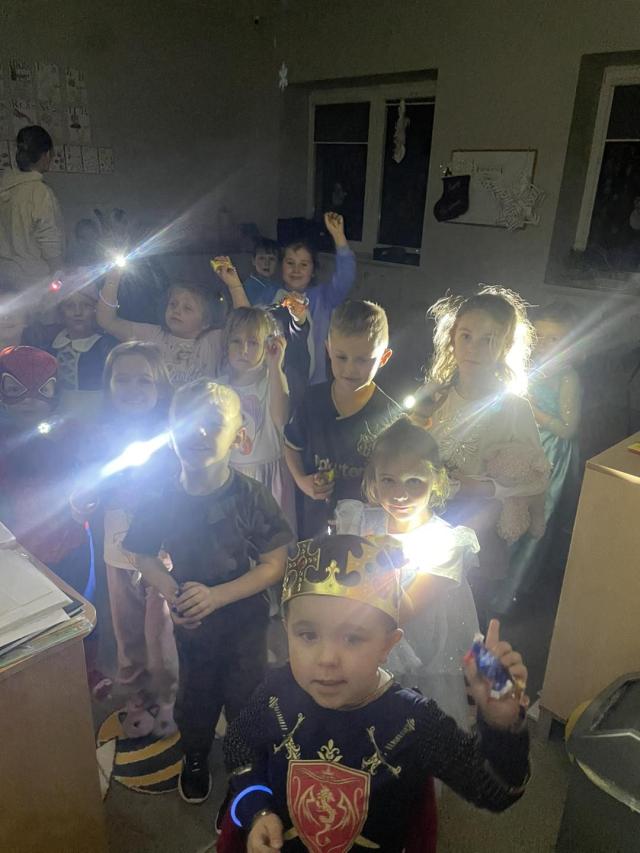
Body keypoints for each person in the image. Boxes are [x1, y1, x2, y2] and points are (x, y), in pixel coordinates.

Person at [221, 534, 530, 853]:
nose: (327, 658)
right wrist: (257, 810)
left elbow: (496, 791)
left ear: (387, 645)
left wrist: (502, 724)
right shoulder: (275, 693)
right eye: (308, 635)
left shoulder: (413, 721)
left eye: (353, 638)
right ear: (287, 631)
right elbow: (238, 747)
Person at [122, 380, 292, 803]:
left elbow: (275, 563)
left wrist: (217, 596)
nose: (198, 431)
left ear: (239, 437)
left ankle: (245, 767)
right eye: (187, 421)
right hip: (193, 626)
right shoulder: (161, 496)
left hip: (244, 623)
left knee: (246, 699)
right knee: (195, 698)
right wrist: (171, 591)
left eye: (213, 423)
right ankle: (195, 755)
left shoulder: (251, 497)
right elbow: (142, 555)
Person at [413, 286, 548, 628]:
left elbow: (536, 477)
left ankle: (476, 663)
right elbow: (407, 449)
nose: (474, 348)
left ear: (505, 347)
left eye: (488, 340)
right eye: (467, 336)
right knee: (425, 611)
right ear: (452, 338)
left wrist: (487, 488)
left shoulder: (514, 408)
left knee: (471, 618)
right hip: (428, 518)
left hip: (480, 530)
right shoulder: (435, 397)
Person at [336, 417, 480, 729]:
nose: (399, 494)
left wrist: (379, 562)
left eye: (414, 481)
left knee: (411, 721)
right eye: (388, 480)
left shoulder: (445, 542)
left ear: (436, 481)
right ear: (373, 481)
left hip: (418, 646)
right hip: (358, 638)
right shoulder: (359, 522)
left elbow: (405, 610)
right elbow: (340, 582)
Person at [71, 342, 179, 738]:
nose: (133, 389)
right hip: (118, 550)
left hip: (162, 551)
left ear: (160, 387)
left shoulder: (172, 435)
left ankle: (166, 696)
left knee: (160, 630)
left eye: (144, 381)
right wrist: (81, 502)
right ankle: (135, 693)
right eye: (123, 380)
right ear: (109, 385)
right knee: (126, 628)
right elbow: (84, 490)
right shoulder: (98, 435)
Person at [0, 345, 109, 696]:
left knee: (80, 607)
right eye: (16, 388)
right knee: (26, 617)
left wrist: (90, 494)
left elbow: (98, 469)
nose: (30, 400)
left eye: (42, 389)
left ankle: (86, 668)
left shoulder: (71, 431)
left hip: (68, 537)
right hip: (15, 545)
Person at [284, 300, 401, 538]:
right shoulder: (312, 401)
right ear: (328, 349)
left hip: (367, 530)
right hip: (315, 523)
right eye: (341, 357)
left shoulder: (391, 416)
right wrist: (302, 481)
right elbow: (291, 445)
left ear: (384, 357)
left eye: (362, 360)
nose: (350, 369)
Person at [493, 302, 582, 614]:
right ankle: (493, 580)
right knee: (507, 513)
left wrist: (533, 409)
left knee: (534, 520)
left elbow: (568, 429)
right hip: (520, 448)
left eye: (554, 339)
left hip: (549, 455)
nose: (544, 344)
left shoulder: (567, 378)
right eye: (539, 336)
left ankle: (512, 592)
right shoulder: (523, 367)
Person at [219, 212, 356, 385]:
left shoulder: (323, 297)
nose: (296, 269)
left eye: (303, 264)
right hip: (271, 380)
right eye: (290, 263)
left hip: (312, 382)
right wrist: (234, 284)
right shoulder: (270, 293)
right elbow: (247, 321)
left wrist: (339, 238)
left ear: (313, 270)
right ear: (281, 265)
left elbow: (345, 278)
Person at [218, 307, 296, 533]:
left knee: (272, 541)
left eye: (253, 343)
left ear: (266, 345)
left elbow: (281, 419)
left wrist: (275, 365)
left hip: (270, 477)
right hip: (232, 477)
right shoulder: (219, 386)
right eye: (236, 341)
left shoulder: (272, 380)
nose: (243, 350)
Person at [96, 268, 223, 387]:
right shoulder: (152, 334)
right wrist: (113, 278)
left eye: (187, 308)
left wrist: (233, 285)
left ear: (206, 322)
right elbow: (107, 321)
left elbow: (237, 329)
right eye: (173, 304)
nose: (176, 311)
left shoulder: (214, 340)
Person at [0, 126, 64, 291]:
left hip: (6, 277)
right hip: (35, 279)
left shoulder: (5, 189)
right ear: (46, 154)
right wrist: (59, 272)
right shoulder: (39, 191)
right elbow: (49, 238)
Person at [43, 277, 118, 392]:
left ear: (95, 309)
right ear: (61, 311)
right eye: (70, 306)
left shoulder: (105, 346)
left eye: (86, 305)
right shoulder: (49, 346)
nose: (78, 312)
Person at [243, 238, 281, 306]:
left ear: (277, 262)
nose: (267, 263)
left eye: (271, 259)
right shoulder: (248, 287)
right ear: (253, 261)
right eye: (262, 258)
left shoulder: (277, 285)